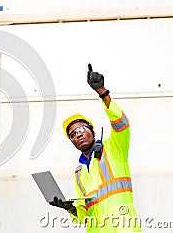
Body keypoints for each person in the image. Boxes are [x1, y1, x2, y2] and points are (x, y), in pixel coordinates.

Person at [49, 64, 141, 232]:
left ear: (92, 131)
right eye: (73, 134)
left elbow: (122, 124)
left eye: (82, 129)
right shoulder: (78, 174)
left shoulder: (114, 148)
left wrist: (102, 93)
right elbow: (83, 216)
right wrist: (68, 208)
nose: (78, 134)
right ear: (72, 141)